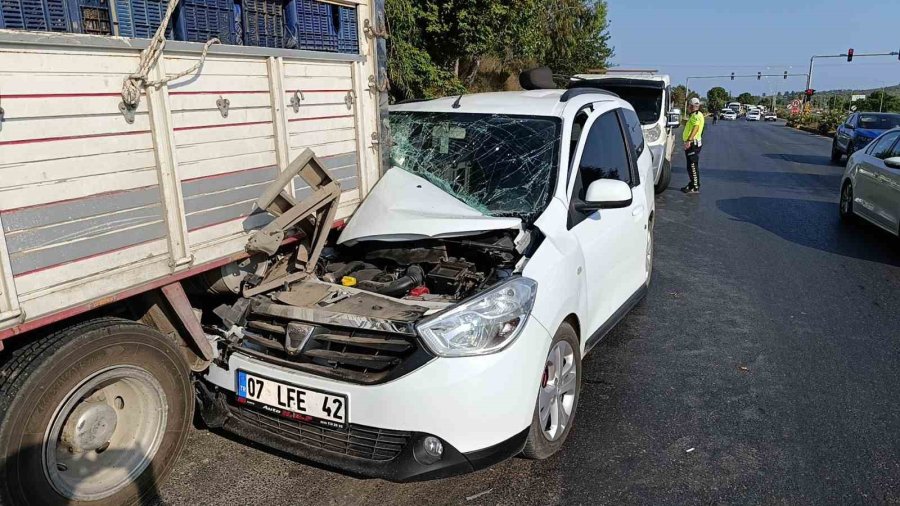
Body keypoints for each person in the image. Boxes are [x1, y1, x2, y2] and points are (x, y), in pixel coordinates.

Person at [682, 97, 705, 194]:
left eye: (689, 106)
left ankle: (695, 186)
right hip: (693, 143)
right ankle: (692, 184)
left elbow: (696, 127)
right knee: (690, 166)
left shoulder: (696, 115)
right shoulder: (695, 115)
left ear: (691, 106)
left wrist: (689, 140)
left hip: (693, 144)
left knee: (692, 166)